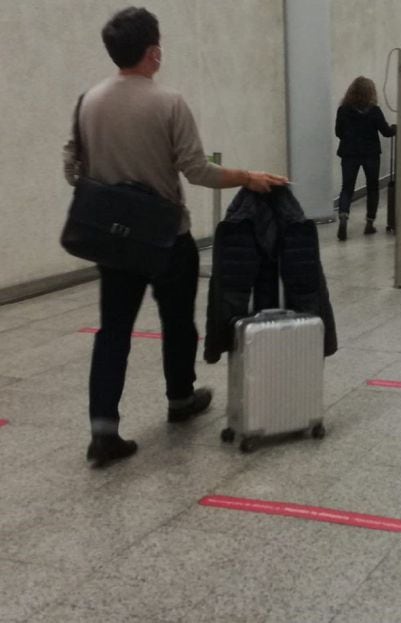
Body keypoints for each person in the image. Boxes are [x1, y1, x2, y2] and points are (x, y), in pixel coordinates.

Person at [62, 7, 288, 468]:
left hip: (114, 241)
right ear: (153, 51)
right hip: (167, 238)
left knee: (114, 331)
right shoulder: (169, 103)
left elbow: (72, 168)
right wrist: (248, 176)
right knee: (178, 322)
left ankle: (103, 431)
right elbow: (197, 170)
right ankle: (180, 398)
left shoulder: (89, 100)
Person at [335, 76, 396, 240]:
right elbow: (386, 132)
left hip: (349, 153)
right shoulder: (374, 111)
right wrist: (395, 128)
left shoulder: (343, 110)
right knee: (372, 187)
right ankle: (369, 223)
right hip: (370, 154)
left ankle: (343, 215)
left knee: (347, 187)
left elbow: (338, 133)